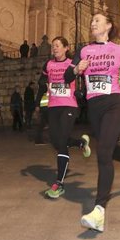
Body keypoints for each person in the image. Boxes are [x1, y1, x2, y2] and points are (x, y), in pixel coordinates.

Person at [64, 12, 120, 232]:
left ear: (108, 25)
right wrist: (77, 69)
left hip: (115, 104)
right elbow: (68, 78)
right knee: (106, 147)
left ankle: (99, 211)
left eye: (97, 20)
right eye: (92, 21)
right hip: (94, 108)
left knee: (104, 153)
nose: (92, 23)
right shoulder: (84, 51)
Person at [34, 36, 91, 198]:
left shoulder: (72, 64)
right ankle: (81, 142)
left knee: (62, 141)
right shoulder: (48, 64)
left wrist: (84, 94)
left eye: (58, 46)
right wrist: (40, 98)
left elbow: (83, 79)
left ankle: (59, 183)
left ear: (66, 48)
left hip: (69, 105)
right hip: (53, 106)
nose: (55, 49)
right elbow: (42, 81)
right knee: (56, 140)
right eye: (53, 46)